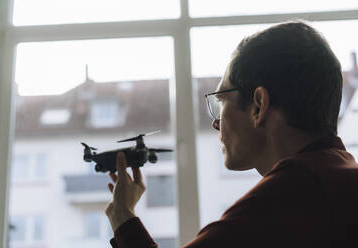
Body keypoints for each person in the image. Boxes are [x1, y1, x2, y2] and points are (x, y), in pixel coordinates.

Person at [105, 20, 358, 248]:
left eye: (221, 101)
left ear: (259, 105)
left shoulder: (294, 193)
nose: (216, 123)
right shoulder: (336, 174)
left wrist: (122, 216)